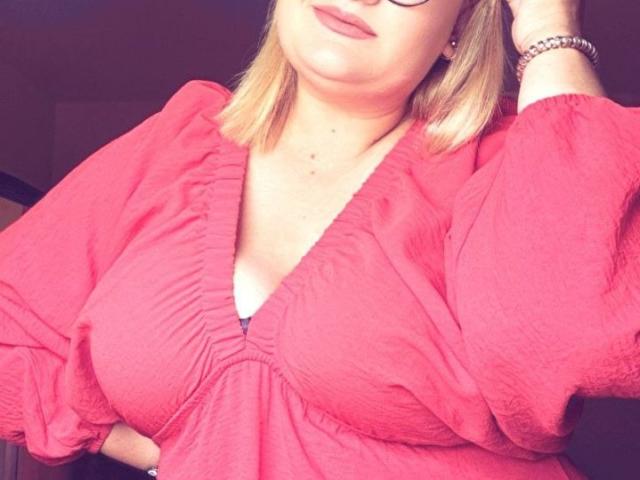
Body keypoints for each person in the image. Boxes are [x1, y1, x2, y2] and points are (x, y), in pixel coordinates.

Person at [0, 0, 638, 478]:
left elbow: (573, 332)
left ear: (456, 30)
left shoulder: (503, 165)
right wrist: (174, 453)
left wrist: (549, 30)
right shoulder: (177, 142)